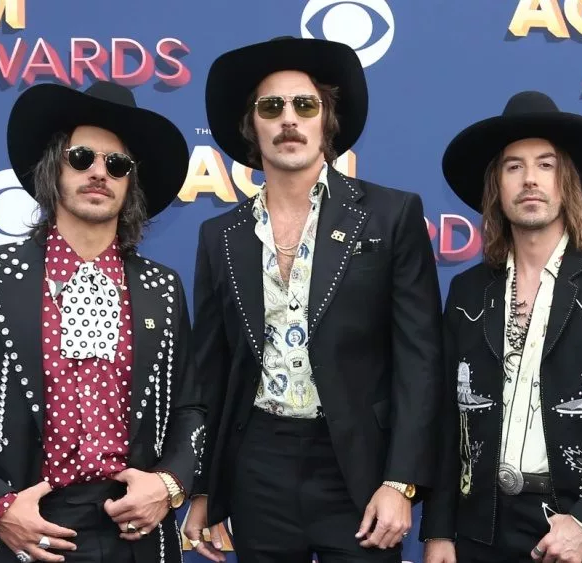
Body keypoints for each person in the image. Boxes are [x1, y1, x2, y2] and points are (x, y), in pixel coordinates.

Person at [183, 36, 443, 562]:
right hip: (259, 465)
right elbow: (211, 371)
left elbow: (420, 360)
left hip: (358, 467)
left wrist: (402, 481)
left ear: (327, 121)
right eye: (271, 107)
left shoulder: (390, 216)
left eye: (305, 105)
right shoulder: (222, 235)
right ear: (250, 126)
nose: (288, 120)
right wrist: (205, 490)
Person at [0, 80, 204, 563]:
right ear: (54, 168)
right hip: (20, 525)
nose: (99, 172)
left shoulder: (163, 288)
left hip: (132, 529)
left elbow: (190, 407)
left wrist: (168, 484)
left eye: (117, 165)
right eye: (82, 158)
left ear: (131, 183)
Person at [420, 91, 582, 563]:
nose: (530, 179)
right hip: (477, 529)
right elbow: (445, 422)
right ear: (496, 185)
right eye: (513, 166)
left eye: (546, 164)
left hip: (567, 529)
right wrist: (438, 530)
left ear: (568, 182)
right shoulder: (467, 292)